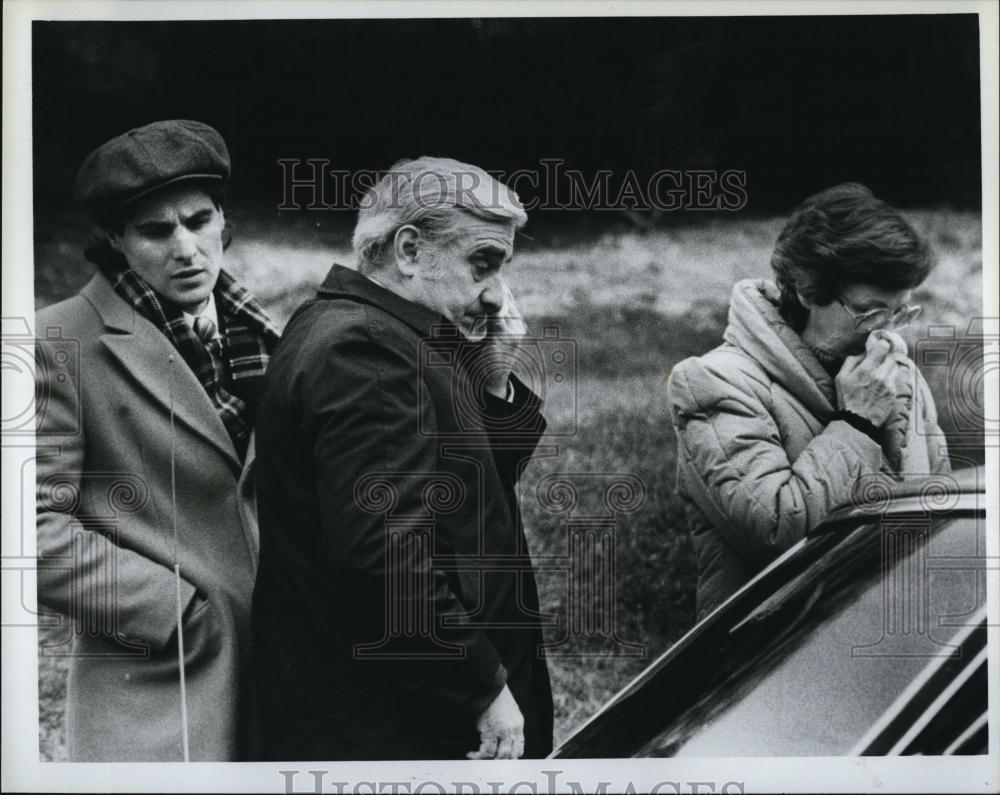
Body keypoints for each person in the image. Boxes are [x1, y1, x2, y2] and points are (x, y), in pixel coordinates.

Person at [251, 157, 553, 761]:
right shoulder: (367, 351)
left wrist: (493, 377)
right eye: (483, 264)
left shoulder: (366, 330)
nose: (496, 295)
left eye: (502, 268)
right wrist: (480, 688)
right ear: (410, 250)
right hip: (396, 727)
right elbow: (386, 560)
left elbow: (470, 497)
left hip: (392, 713)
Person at [35, 120, 279, 761]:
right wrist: (175, 609)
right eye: (155, 231)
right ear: (114, 238)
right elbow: (27, 531)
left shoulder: (260, 328)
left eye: (199, 221)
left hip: (287, 672)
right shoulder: (58, 340)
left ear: (223, 218)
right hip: (162, 684)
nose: (186, 249)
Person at [667, 182, 950, 621]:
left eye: (901, 313)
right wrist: (856, 422)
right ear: (805, 289)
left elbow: (942, 511)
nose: (888, 333)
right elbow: (779, 536)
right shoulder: (714, 382)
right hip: (772, 663)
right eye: (870, 312)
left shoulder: (899, 375)